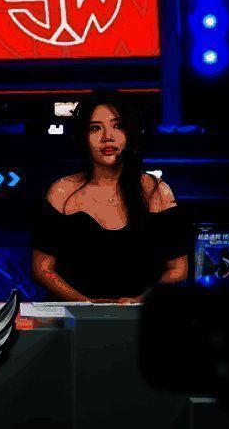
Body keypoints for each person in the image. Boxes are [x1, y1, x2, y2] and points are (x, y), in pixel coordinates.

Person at [31, 94, 188, 303]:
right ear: (83, 137)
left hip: (143, 317)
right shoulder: (62, 191)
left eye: (118, 126)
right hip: (75, 317)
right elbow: (42, 269)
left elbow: (179, 270)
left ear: (131, 132)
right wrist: (86, 304)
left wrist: (140, 301)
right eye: (95, 128)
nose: (107, 137)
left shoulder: (157, 191)